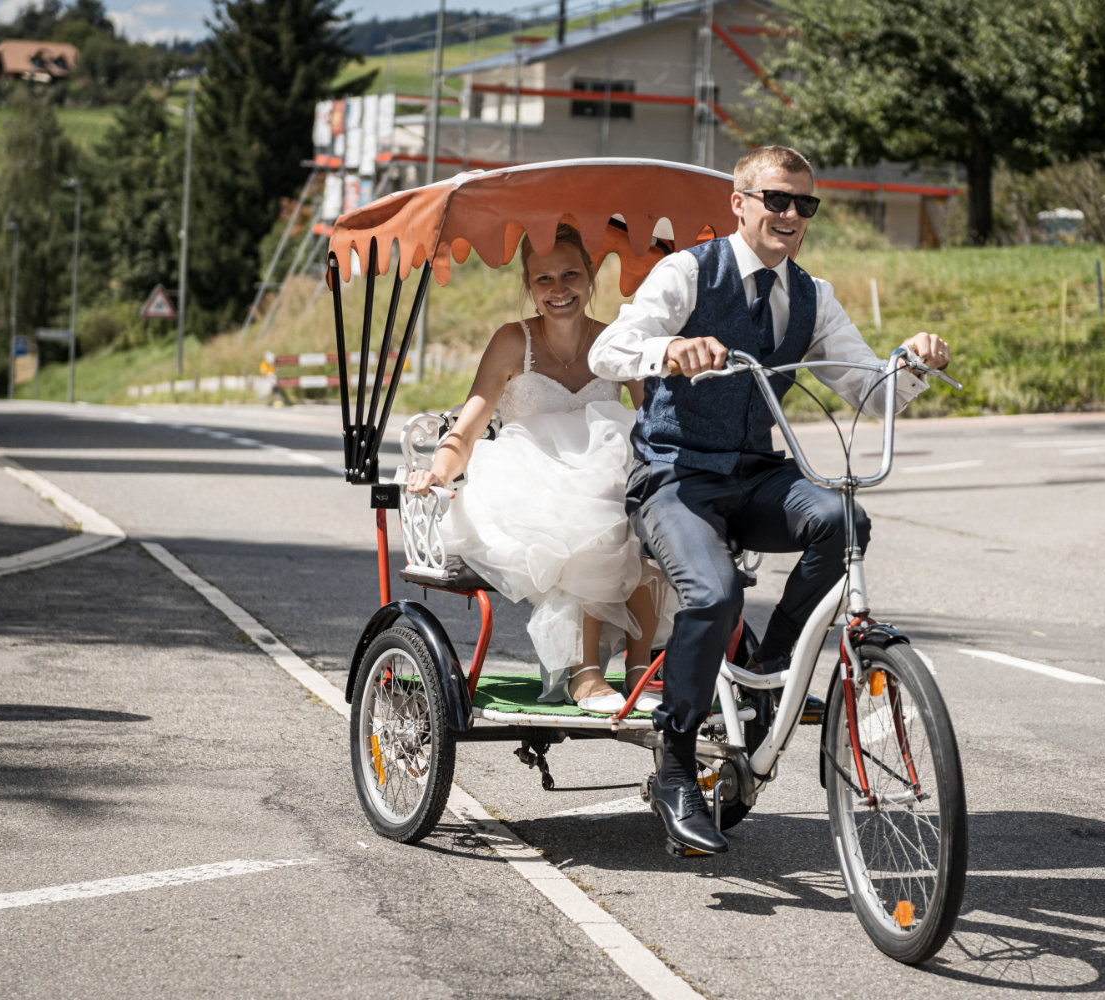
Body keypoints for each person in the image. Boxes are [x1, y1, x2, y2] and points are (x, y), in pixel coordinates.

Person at [589, 145, 952, 855]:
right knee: (715, 593)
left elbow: (869, 391)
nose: (790, 214)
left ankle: (768, 673)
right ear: (739, 203)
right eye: (775, 199)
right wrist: (669, 352)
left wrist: (910, 363)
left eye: (803, 204)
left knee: (844, 520)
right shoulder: (688, 272)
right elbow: (609, 350)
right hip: (675, 475)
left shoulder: (812, 296)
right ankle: (675, 764)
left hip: (755, 475)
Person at [407, 223, 664, 715]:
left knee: (649, 507)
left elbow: (655, 420)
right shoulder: (512, 340)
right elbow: (469, 425)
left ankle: (640, 667)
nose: (558, 289)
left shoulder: (614, 342)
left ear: (590, 277)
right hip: (528, 482)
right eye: (544, 279)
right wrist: (438, 471)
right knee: (593, 511)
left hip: (605, 475)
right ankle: (586, 673)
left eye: (570, 275)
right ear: (528, 284)